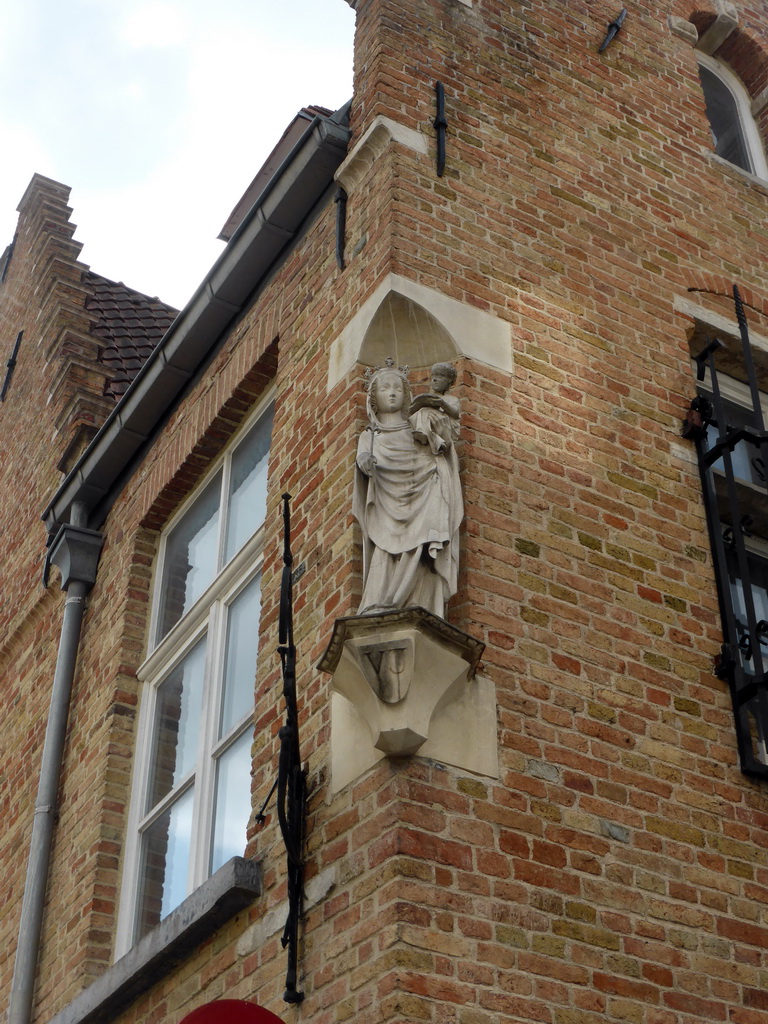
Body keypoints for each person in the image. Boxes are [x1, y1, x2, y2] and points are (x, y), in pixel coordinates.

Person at [353, 359, 462, 617]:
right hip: (385, 504)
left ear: (406, 395)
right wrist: (365, 462)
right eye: (384, 388)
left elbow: (442, 444)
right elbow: (363, 458)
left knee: (424, 546)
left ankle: (421, 600)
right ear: (373, 398)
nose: (391, 393)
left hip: (424, 494)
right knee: (385, 550)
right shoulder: (370, 436)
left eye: (397, 388)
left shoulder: (418, 424)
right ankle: (384, 598)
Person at [410, 362, 460, 455]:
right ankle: (423, 433)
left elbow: (455, 413)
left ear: (449, 379)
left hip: (443, 425)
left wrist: (442, 404)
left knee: (425, 411)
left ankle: (430, 436)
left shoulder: (452, 399)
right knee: (422, 411)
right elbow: (410, 412)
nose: (434, 379)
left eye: (440, 376)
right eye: (433, 376)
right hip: (430, 424)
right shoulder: (430, 396)